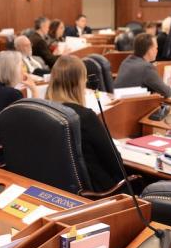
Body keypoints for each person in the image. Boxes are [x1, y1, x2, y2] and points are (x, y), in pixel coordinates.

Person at [47, 55, 123, 193]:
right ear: (79, 82)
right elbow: (116, 163)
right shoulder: (85, 116)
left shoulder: (46, 112)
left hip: (59, 189)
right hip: (99, 193)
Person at [113, 33, 171, 98]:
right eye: (156, 48)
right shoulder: (146, 68)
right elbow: (167, 92)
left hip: (119, 104)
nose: (157, 51)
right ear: (150, 50)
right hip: (133, 106)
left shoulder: (126, 61)